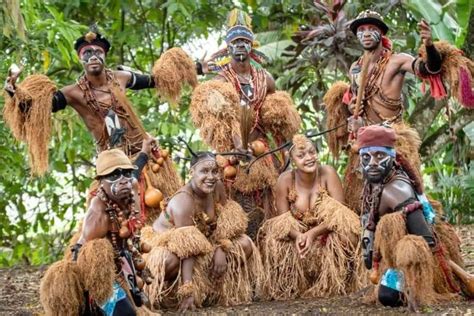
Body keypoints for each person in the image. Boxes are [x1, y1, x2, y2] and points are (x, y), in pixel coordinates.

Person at [3, 26, 198, 218]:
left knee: (173, 210)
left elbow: (156, 80)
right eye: (87, 53)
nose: (93, 56)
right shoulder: (73, 93)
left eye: (98, 52)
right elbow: (39, 107)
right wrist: (14, 92)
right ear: (81, 59)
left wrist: (197, 68)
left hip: (148, 154)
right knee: (120, 221)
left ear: (105, 56)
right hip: (114, 167)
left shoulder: (121, 78)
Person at [323, 10, 473, 212]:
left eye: (371, 29)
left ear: (381, 34)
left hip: (392, 138)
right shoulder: (355, 68)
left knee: (407, 200)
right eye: (362, 29)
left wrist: (428, 44)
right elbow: (356, 101)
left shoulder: (397, 60)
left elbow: (428, 68)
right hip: (364, 141)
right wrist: (352, 112)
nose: (366, 33)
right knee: (359, 202)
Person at [190, 9, 301, 238]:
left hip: (262, 151)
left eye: (244, 41)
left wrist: (287, 153)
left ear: (252, 46)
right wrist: (237, 146)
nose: (240, 45)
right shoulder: (221, 81)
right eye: (235, 42)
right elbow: (223, 120)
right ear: (227, 48)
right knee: (233, 202)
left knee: (269, 201)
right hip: (232, 154)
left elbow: (277, 118)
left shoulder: (265, 79)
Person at [356, 125, 473, 310]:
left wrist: (450, 273)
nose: (372, 163)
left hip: (416, 260)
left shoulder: (396, 191)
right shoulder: (377, 181)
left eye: (380, 156)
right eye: (366, 157)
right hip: (394, 255)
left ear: (392, 156)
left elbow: (427, 240)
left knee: (388, 296)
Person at [40, 141, 157, 315]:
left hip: (121, 262)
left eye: (126, 172)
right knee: (125, 314)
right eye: (114, 175)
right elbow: (82, 259)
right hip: (98, 273)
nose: (123, 179)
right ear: (101, 182)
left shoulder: (130, 184)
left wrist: (145, 153)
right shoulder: (99, 213)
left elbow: (136, 171)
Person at [140, 149, 263, 312]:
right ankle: (170, 296)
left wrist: (222, 247)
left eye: (214, 171)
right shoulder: (183, 201)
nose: (211, 177)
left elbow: (227, 222)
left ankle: (211, 292)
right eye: (204, 171)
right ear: (192, 172)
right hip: (167, 249)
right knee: (170, 260)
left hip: (202, 245)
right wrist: (188, 292)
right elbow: (187, 250)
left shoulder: (217, 187)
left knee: (245, 243)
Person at [257, 134, 364, 300]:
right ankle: (291, 286)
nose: (308, 158)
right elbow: (282, 222)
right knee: (272, 240)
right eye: (301, 155)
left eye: (312, 152)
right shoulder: (284, 180)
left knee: (348, 234)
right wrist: (299, 236)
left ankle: (336, 282)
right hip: (298, 238)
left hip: (325, 234)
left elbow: (341, 217)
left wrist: (313, 233)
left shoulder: (328, 173)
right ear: (292, 160)